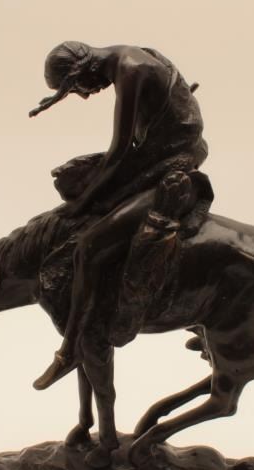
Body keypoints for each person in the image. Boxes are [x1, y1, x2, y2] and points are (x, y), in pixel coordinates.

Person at [28, 42, 210, 390]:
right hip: (159, 158)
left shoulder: (131, 69)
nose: (84, 95)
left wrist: (84, 204)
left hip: (171, 166)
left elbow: (119, 151)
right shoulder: (132, 57)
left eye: (76, 88)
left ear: (81, 70)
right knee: (72, 180)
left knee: (89, 246)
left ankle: (69, 350)